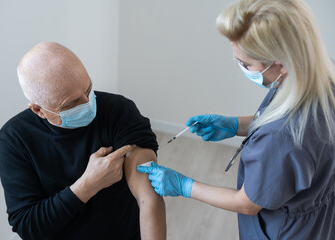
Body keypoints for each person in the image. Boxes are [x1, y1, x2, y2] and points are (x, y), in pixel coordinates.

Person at [137, 0, 335, 239]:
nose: (241, 68)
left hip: (285, 230)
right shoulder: (320, 75)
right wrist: (235, 125)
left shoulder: (280, 139)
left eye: (246, 64)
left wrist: (183, 186)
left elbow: (247, 203)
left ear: (282, 63)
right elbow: (292, 123)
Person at [0, 42, 166, 240]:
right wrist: (88, 185)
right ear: (38, 110)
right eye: (72, 103)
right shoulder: (14, 139)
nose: (88, 104)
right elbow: (28, 225)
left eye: (88, 90)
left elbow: (149, 197)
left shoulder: (119, 111)